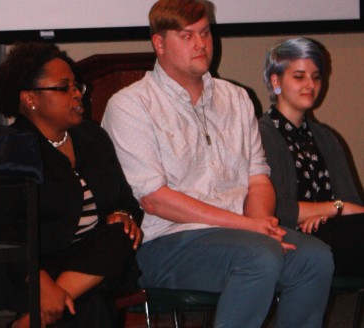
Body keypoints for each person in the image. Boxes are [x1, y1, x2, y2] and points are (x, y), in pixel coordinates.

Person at [101, 1, 335, 327]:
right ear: (159, 43)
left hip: (239, 236)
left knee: (315, 258)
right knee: (259, 258)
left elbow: (258, 177)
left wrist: (260, 226)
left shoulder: (236, 98)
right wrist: (250, 230)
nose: (201, 44)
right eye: (187, 36)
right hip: (165, 243)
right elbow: (153, 198)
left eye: (205, 33)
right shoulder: (131, 105)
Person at [0, 41, 144, 328]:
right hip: (27, 270)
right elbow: (1, 230)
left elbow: (125, 201)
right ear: (30, 99)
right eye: (64, 88)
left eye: (78, 86)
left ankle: (33, 320)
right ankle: (44, 308)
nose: (78, 94)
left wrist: (123, 215)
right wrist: (41, 284)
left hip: (89, 263)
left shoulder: (94, 139)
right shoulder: (6, 151)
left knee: (120, 234)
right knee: (92, 308)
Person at [259, 37, 364, 275]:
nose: (310, 84)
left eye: (316, 76)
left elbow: (355, 205)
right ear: (276, 81)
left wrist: (324, 214)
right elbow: (278, 211)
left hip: (335, 233)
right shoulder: (262, 135)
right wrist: (333, 208)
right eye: (299, 76)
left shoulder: (326, 137)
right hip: (288, 239)